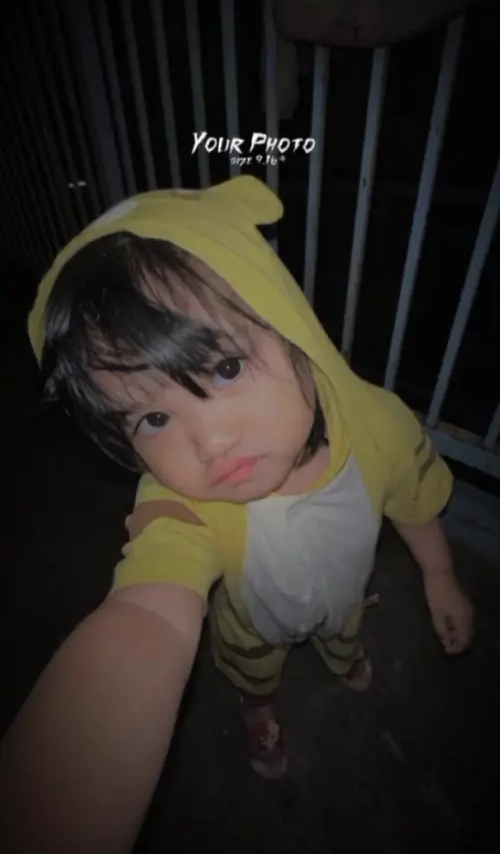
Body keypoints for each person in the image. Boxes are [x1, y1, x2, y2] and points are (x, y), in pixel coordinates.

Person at [1, 175, 473, 853]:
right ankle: (258, 709)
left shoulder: (378, 427)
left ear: (290, 323)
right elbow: (146, 615)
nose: (209, 442)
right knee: (253, 670)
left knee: (344, 631)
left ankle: (344, 656)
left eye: (224, 368)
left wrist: (439, 575)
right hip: (251, 626)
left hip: (345, 594)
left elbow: (417, 500)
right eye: (153, 417)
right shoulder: (179, 501)